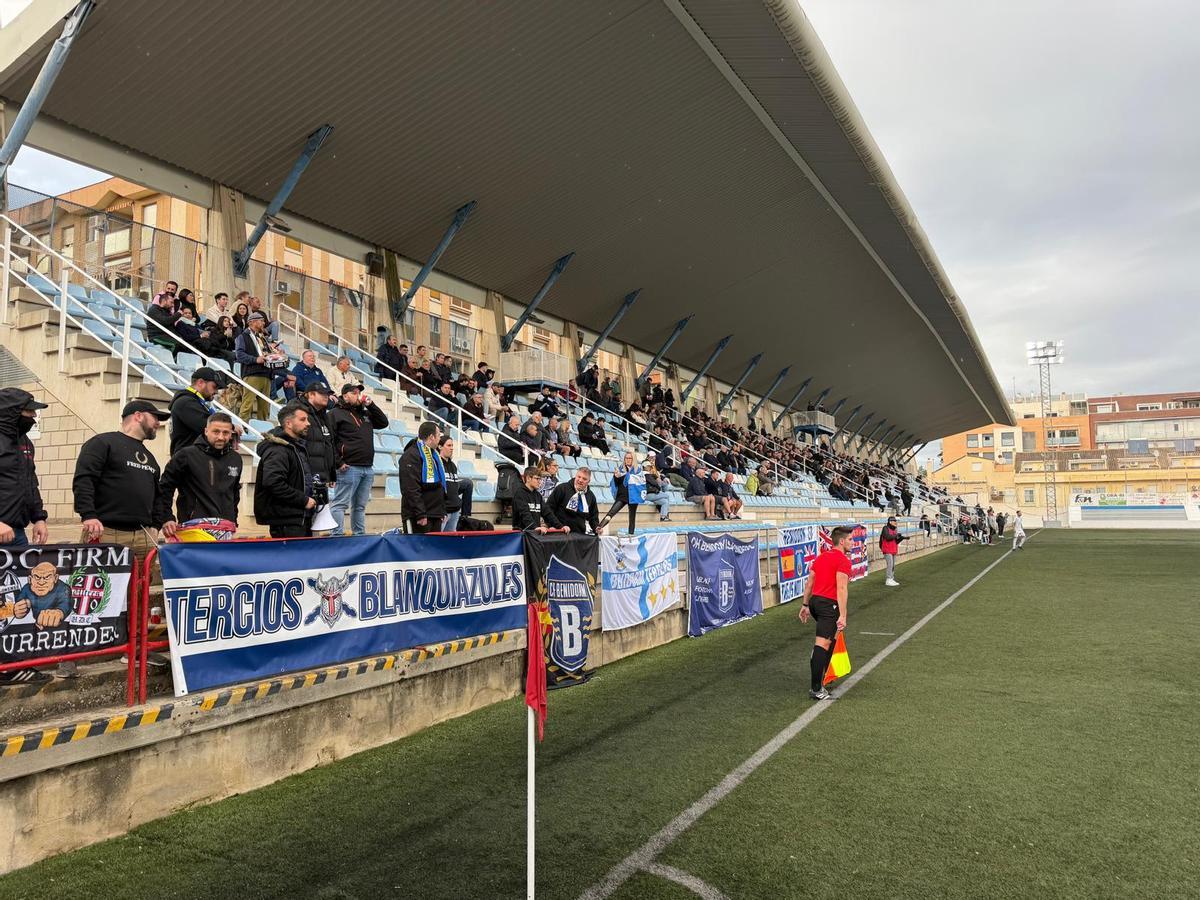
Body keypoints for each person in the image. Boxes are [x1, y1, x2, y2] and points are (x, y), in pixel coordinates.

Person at [73, 400, 170, 556]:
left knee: (141, 581)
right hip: (105, 533)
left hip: (143, 536)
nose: (158, 423)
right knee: (101, 580)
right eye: (155, 417)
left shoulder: (149, 457)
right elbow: (85, 480)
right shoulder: (102, 443)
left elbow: (157, 495)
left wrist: (155, 526)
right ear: (138, 416)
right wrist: (88, 515)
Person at [155, 413, 242, 534]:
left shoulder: (236, 459)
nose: (221, 437)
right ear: (206, 431)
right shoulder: (185, 455)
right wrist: (167, 517)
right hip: (193, 527)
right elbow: (164, 487)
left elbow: (234, 493)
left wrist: (234, 520)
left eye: (226, 433)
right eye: (216, 432)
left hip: (225, 528)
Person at [799, 525, 854, 700]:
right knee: (822, 644)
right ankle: (816, 689)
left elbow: (809, 583)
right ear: (842, 541)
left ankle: (821, 677)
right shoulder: (843, 560)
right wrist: (843, 615)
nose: (853, 542)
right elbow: (842, 588)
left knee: (830, 641)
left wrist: (805, 605)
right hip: (828, 605)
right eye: (851, 539)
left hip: (815, 602)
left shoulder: (821, 557)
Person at [328, 384, 388, 536]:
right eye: (354, 392)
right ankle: (337, 536)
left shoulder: (365, 414)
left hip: (367, 467)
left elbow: (383, 422)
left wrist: (371, 404)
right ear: (345, 395)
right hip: (348, 467)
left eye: (359, 392)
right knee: (340, 504)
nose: (358, 394)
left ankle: (359, 536)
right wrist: (338, 462)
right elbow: (329, 441)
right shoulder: (335, 413)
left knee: (360, 506)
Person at [254, 403, 316, 538]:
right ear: (288, 423)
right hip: (287, 521)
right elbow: (273, 483)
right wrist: (304, 500)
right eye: (302, 419)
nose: (308, 423)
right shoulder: (278, 450)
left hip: (298, 518)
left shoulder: (296, 447)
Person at [0, 388, 49, 551]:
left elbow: (30, 482)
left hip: (17, 534)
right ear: (12, 411)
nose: (34, 415)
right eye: (29, 410)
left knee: (26, 576)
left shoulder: (25, 441)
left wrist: (39, 518)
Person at [399, 422, 446, 534]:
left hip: (435, 514)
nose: (440, 439)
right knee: (417, 550)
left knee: (434, 550)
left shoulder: (434, 455)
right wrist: (420, 513)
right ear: (431, 437)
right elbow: (411, 488)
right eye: (439, 436)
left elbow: (440, 484)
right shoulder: (411, 456)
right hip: (420, 517)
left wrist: (442, 511)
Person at [295, 383, 338, 504]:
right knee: (306, 519)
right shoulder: (297, 411)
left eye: (327, 394)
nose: (326, 397)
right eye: (322, 394)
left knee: (319, 518)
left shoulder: (323, 415)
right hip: (304, 479)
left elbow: (328, 444)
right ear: (311, 395)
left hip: (320, 479)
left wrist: (331, 473)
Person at [168, 367, 223, 455]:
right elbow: (208, 427)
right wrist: (230, 427)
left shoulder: (195, 402)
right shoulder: (185, 402)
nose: (216, 391)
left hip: (194, 459)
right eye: (214, 387)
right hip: (187, 461)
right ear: (200, 382)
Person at [234, 311, 276, 422]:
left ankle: (262, 432)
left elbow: (267, 354)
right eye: (261, 321)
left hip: (266, 374)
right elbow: (240, 355)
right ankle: (242, 429)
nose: (263, 323)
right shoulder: (242, 336)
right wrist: (255, 359)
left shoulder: (263, 338)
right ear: (252, 322)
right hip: (252, 374)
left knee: (264, 408)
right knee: (247, 404)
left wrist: (275, 354)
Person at [599, 450, 645, 534]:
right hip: (622, 495)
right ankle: (599, 528)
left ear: (633, 459)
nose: (627, 460)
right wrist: (616, 477)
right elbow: (616, 483)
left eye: (630, 458)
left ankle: (630, 535)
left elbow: (641, 483)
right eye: (626, 458)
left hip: (633, 496)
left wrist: (628, 476)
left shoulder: (638, 471)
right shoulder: (620, 469)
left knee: (632, 518)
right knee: (611, 512)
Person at [544, 466, 601, 535]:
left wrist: (596, 527)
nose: (580, 480)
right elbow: (548, 508)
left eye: (584, 479)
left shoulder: (590, 496)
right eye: (579, 477)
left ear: (588, 481)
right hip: (559, 532)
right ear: (575, 476)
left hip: (579, 534)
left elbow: (593, 517)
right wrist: (552, 525)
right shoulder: (562, 488)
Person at [439, 435, 472, 532]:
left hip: (455, 511)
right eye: (449, 445)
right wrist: (441, 510)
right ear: (440, 447)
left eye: (452, 445)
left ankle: (465, 516)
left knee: (451, 544)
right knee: (438, 543)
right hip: (444, 512)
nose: (452, 448)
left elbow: (453, 487)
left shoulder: (453, 465)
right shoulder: (437, 464)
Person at [879, 516, 907, 587]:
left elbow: (895, 541)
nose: (896, 523)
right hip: (887, 549)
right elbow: (887, 537)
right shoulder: (885, 528)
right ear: (890, 522)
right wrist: (896, 535)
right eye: (894, 521)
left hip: (893, 549)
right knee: (890, 564)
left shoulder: (895, 530)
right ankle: (888, 579)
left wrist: (902, 538)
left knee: (893, 565)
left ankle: (891, 578)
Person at [642, 456, 672, 522]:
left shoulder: (648, 474)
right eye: (648, 466)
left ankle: (663, 517)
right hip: (648, 494)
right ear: (645, 467)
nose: (650, 468)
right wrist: (659, 486)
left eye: (650, 466)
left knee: (665, 502)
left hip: (651, 494)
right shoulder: (646, 474)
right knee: (667, 496)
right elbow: (655, 483)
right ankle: (666, 515)